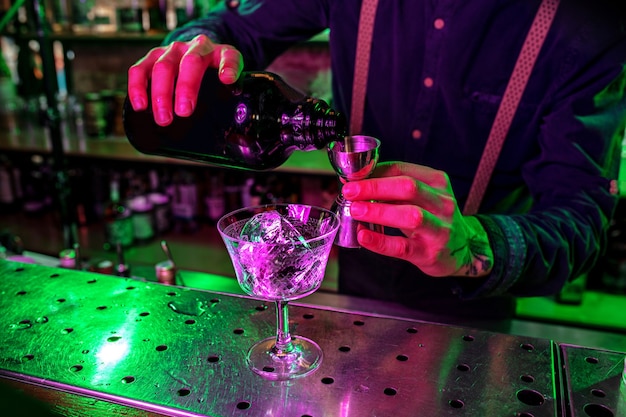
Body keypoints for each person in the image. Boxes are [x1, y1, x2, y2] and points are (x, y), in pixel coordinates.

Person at [127, 0, 626, 323]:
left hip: (473, 312)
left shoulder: (589, 27)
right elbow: (232, 24)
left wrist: (474, 242)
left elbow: (582, 220)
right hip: (354, 287)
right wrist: (190, 54)